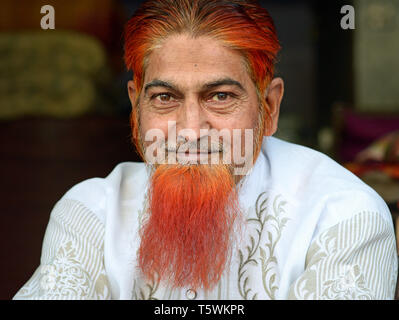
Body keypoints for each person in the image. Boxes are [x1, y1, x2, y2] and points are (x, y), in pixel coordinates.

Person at [14, 0, 397, 300]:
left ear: (269, 107)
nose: (192, 131)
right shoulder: (89, 214)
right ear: (136, 108)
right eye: (165, 97)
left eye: (220, 96)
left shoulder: (343, 216)